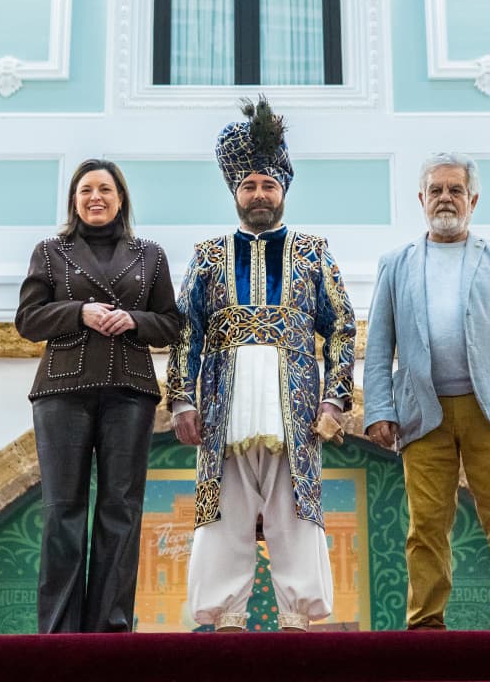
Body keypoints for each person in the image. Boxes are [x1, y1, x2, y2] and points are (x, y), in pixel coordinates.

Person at [168, 98, 356, 632]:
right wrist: (182, 398)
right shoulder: (207, 254)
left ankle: (303, 619)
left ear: (282, 192)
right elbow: (188, 329)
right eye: (248, 186)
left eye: (267, 186)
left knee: (296, 514)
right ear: (235, 192)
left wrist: (334, 397)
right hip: (224, 405)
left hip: (294, 410)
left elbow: (341, 327)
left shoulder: (314, 251)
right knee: (222, 511)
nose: (258, 195)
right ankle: (222, 618)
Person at [363, 152, 490, 630]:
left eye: (456, 190)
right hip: (422, 413)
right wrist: (379, 409)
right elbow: (379, 345)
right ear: (422, 199)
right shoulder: (395, 263)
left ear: (474, 199)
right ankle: (426, 622)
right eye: (437, 190)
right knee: (425, 524)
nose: (447, 198)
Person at [15, 159, 182, 633]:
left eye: (105, 189)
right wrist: (80, 311)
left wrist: (133, 320)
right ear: (74, 200)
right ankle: (61, 630)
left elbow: (171, 323)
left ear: (121, 198)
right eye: (86, 189)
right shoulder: (50, 252)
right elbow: (28, 321)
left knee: (121, 510)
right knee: (63, 510)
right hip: (62, 393)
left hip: (130, 393)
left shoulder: (150, 255)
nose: (96, 197)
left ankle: (111, 628)